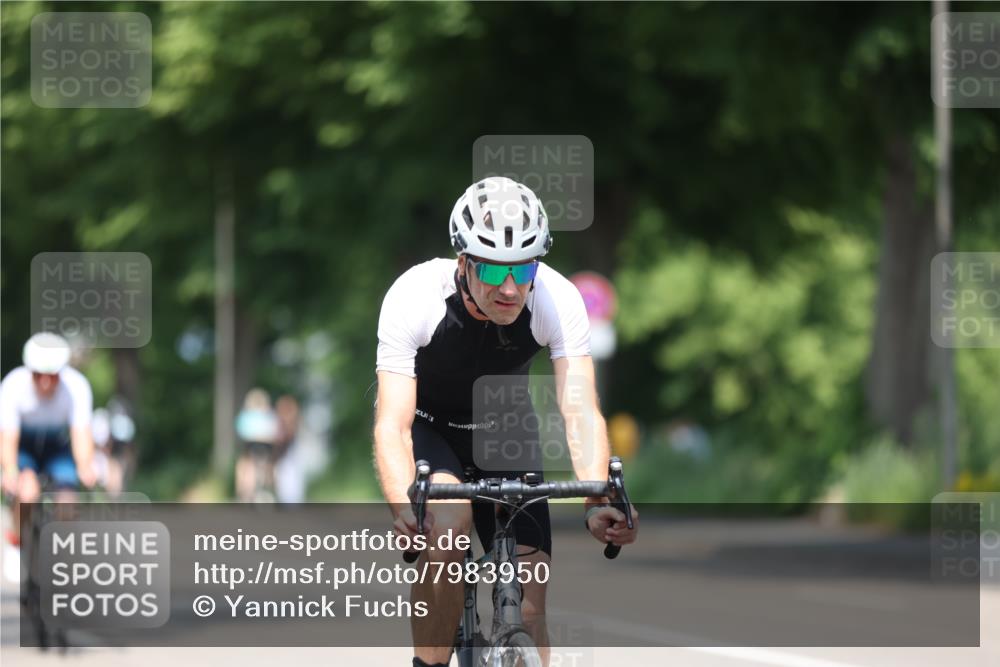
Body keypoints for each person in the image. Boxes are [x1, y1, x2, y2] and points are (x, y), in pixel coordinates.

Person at [373, 176, 639, 667]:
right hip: (432, 430)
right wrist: (402, 507)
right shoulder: (414, 296)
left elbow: (578, 407)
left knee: (531, 607)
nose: (511, 287)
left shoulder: (556, 298)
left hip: (506, 430)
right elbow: (392, 423)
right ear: (464, 262)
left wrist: (598, 495)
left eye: (524, 268)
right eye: (495, 271)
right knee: (447, 531)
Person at [1, 332, 96, 582]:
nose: (44, 382)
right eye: (37, 375)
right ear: (28, 370)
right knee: (27, 492)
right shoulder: (13, 385)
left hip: (57, 446)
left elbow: (80, 433)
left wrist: (86, 466)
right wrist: (10, 471)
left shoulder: (76, 386)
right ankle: (16, 542)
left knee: (67, 503)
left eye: (52, 375)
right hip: (24, 445)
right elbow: (8, 437)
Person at [234, 388, 280, 502]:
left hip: (253, 445)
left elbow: (241, 430)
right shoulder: (269, 415)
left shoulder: (247, 415)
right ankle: (267, 488)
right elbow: (275, 430)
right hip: (264, 446)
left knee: (246, 465)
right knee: (266, 465)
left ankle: (245, 491)